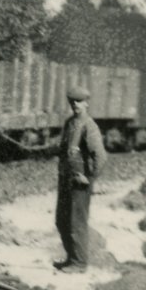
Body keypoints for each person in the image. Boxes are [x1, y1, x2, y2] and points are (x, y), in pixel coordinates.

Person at [55, 84, 106, 271]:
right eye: (73, 101)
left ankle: (79, 263)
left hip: (80, 182)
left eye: (80, 101)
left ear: (87, 104)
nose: (76, 104)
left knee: (77, 221)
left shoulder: (89, 126)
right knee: (61, 220)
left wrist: (90, 177)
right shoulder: (70, 123)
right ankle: (71, 259)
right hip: (66, 179)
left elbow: (100, 156)